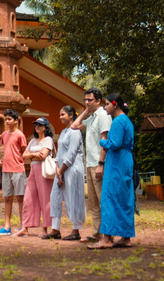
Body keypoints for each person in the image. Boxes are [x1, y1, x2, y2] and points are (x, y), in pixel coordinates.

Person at [89, 94, 135, 249]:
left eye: (107, 104)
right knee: (124, 198)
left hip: (116, 161)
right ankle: (125, 237)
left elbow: (114, 143)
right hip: (125, 159)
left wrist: (102, 141)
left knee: (109, 198)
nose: (105, 107)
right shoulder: (126, 120)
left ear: (115, 105)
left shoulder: (118, 121)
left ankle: (107, 239)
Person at [70, 87, 111, 243]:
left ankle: (108, 234)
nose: (87, 102)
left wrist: (101, 163)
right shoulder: (92, 116)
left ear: (98, 101)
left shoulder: (103, 116)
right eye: (85, 100)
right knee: (93, 202)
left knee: (102, 201)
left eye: (90, 100)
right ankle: (96, 233)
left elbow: (105, 141)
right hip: (90, 163)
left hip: (99, 164)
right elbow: (74, 126)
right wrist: (86, 111)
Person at [50, 106, 85, 241]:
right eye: (59, 114)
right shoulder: (64, 131)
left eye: (63, 114)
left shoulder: (75, 132)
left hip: (72, 168)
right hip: (61, 169)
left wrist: (62, 170)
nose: (60, 117)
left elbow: (71, 153)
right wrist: (58, 170)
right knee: (55, 196)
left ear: (71, 115)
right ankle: (55, 229)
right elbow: (59, 153)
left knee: (73, 197)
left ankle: (75, 230)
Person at [16, 117, 55, 238]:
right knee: (28, 198)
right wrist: (34, 155)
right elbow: (23, 156)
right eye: (36, 125)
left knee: (45, 199)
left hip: (43, 170)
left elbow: (43, 155)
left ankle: (45, 228)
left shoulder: (48, 140)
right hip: (33, 170)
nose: (37, 127)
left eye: (40, 125)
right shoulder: (33, 141)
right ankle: (25, 227)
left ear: (45, 127)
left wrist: (31, 155)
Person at [0, 109, 28, 236]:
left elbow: (24, 152)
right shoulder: (4, 135)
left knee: (20, 198)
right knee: (7, 198)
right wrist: (2, 161)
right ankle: (7, 226)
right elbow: (7, 150)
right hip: (6, 170)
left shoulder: (20, 135)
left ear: (16, 120)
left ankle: (23, 226)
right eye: (6, 119)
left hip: (18, 169)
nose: (7, 121)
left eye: (9, 119)